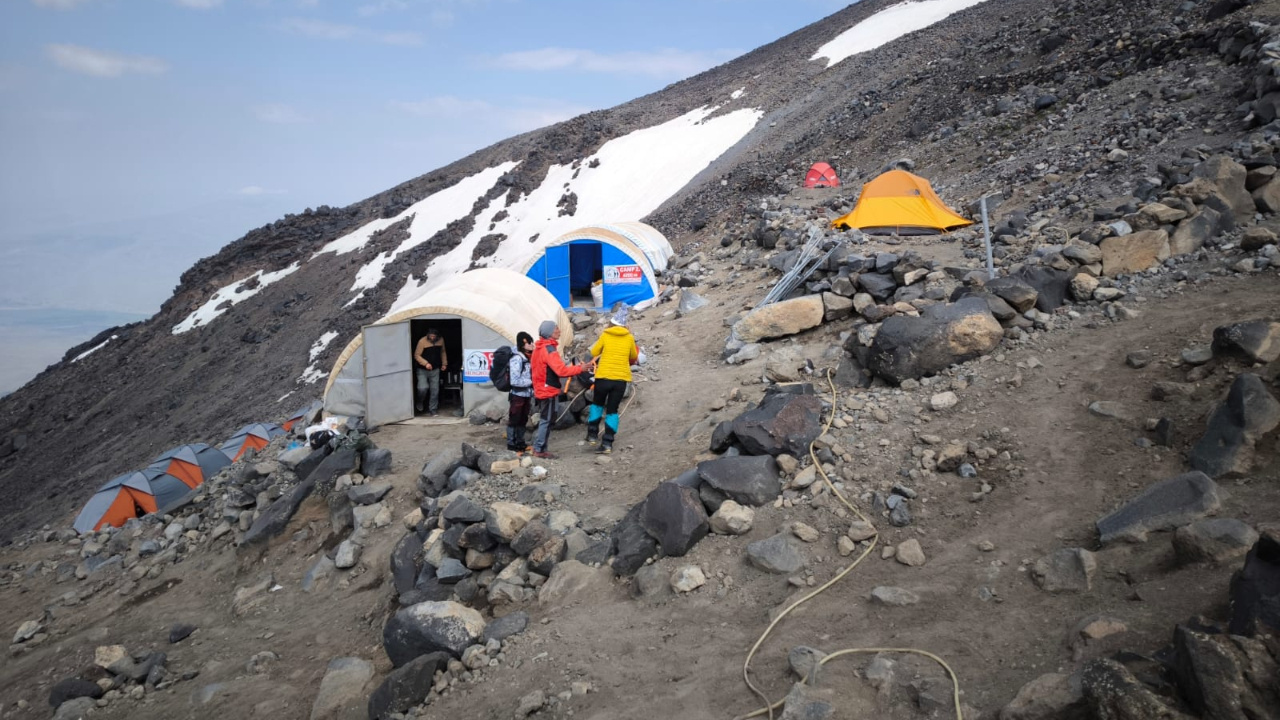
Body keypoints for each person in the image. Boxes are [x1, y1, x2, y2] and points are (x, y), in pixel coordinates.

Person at [530, 320, 594, 459]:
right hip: (548, 390)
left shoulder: (539, 348)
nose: (559, 330)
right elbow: (561, 371)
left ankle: (540, 447)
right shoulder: (549, 350)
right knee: (547, 419)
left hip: (541, 388)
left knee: (546, 418)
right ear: (550, 333)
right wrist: (580, 368)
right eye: (556, 329)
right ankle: (539, 449)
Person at [586, 306, 639, 454]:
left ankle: (592, 436)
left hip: (603, 378)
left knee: (597, 405)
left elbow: (594, 351)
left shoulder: (605, 335)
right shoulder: (629, 337)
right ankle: (607, 443)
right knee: (612, 411)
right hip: (620, 380)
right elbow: (633, 356)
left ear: (612, 323)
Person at [506, 331, 536, 454]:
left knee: (523, 418)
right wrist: (531, 382)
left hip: (526, 394)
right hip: (518, 394)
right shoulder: (517, 359)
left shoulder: (526, 358)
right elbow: (514, 380)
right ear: (523, 343)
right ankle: (511, 443)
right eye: (530, 343)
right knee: (515, 418)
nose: (532, 345)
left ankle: (520, 442)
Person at [414, 327, 447, 416]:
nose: (432, 338)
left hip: (435, 369)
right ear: (428, 335)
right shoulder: (422, 341)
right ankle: (420, 401)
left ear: (437, 336)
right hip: (422, 369)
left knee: (435, 390)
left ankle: (433, 409)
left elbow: (443, 352)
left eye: (434, 336)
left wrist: (444, 363)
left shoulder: (441, 340)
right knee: (422, 388)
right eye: (431, 336)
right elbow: (417, 355)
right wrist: (425, 363)